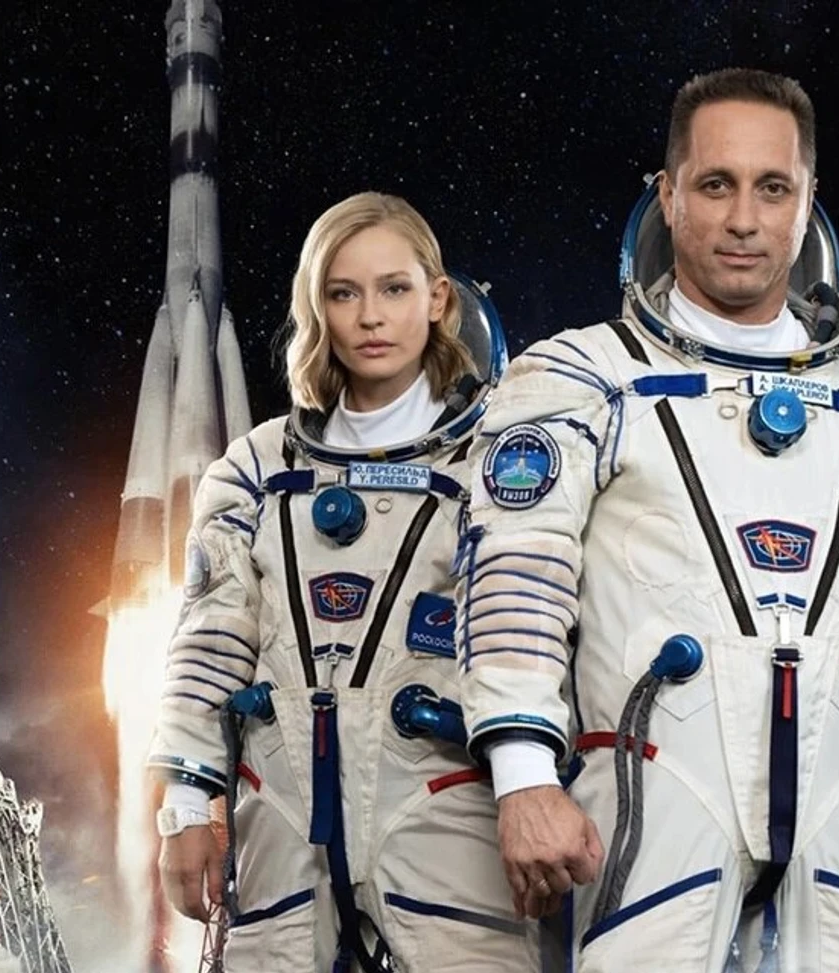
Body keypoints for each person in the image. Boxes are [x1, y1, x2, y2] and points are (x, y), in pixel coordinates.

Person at [455, 68, 839, 973]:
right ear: (669, 197)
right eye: (716, 184)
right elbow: (519, 575)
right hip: (653, 794)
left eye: (773, 188)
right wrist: (523, 777)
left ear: (807, 203)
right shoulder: (584, 379)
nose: (745, 219)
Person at [146, 192, 537, 971]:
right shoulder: (257, 470)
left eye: (394, 288)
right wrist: (185, 803)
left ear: (438, 299)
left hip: (445, 815)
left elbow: (534, 632)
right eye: (343, 292)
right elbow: (209, 641)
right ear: (315, 308)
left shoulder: (501, 463)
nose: (370, 316)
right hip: (283, 825)